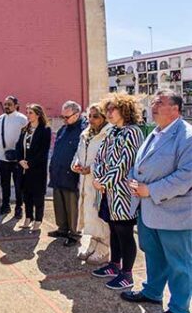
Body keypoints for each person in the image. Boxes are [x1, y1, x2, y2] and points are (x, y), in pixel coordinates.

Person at [122, 90, 192, 313]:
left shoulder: (187, 136)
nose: (153, 106)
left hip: (174, 213)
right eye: (153, 102)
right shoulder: (155, 132)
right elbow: (139, 164)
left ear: (175, 109)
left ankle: (179, 310)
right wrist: (133, 180)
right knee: (153, 254)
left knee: (179, 264)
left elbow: (186, 175)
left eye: (159, 103)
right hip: (150, 210)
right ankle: (153, 291)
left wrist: (150, 190)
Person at [90, 93, 144, 290]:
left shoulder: (133, 132)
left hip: (122, 193)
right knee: (113, 229)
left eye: (114, 109)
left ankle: (127, 274)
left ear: (125, 110)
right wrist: (97, 177)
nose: (109, 113)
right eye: (108, 109)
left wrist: (103, 181)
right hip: (107, 192)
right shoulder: (111, 131)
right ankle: (114, 265)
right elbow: (99, 158)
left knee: (125, 232)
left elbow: (125, 163)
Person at [72, 103, 112, 263]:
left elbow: (109, 159)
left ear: (104, 117)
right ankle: (92, 244)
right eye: (89, 116)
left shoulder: (108, 134)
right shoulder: (85, 133)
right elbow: (78, 153)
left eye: (96, 116)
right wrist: (76, 163)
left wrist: (92, 168)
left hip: (99, 182)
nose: (91, 119)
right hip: (84, 182)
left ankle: (104, 249)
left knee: (100, 216)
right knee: (90, 215)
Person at [48, 101, 88, 246]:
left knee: (73, 206)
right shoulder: (63, 129)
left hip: (72, 175)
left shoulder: (83, 130)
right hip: (58, 173)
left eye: (67, 117)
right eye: (62, 117)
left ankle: (74, 233)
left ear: (77, 114)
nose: (64, 120)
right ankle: (62, 228)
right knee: (59, 203)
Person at [15, 104, 51, 231]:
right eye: (27, 112)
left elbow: (43, 151)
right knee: (26, 194)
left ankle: (38, 219)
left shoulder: (45, 130)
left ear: (38, 114)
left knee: (38, 195)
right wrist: (20, 160)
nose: (28, 115)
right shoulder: (25, 129)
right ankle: (28, 217)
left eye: (31, 112)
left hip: (37, 169)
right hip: (23, 168)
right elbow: (18, 146)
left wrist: (30, 163)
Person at [0, 95, 28, 218]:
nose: (7, 106)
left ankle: (19, 207)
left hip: (18, 158)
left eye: (9, 104)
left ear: (16, 105)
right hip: (2, 156)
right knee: (4, 183)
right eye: (5, 104)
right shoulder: (0, 119)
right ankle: (5, 205)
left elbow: (26, 137)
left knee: (19, 183)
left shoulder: (23, 119)